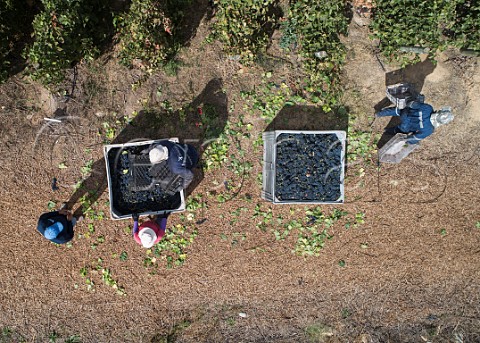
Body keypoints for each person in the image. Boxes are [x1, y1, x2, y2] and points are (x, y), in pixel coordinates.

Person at [376, 99, 453, 144]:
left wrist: (414, 101)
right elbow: (414, 138)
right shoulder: (429, 130)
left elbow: (412, 104)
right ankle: (387, 131)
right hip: (406, 127)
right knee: (399, 130)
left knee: (398, 111)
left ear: (438, 112)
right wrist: (406, 142)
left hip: (405, 114)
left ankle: (378, 114)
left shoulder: (428, 108)